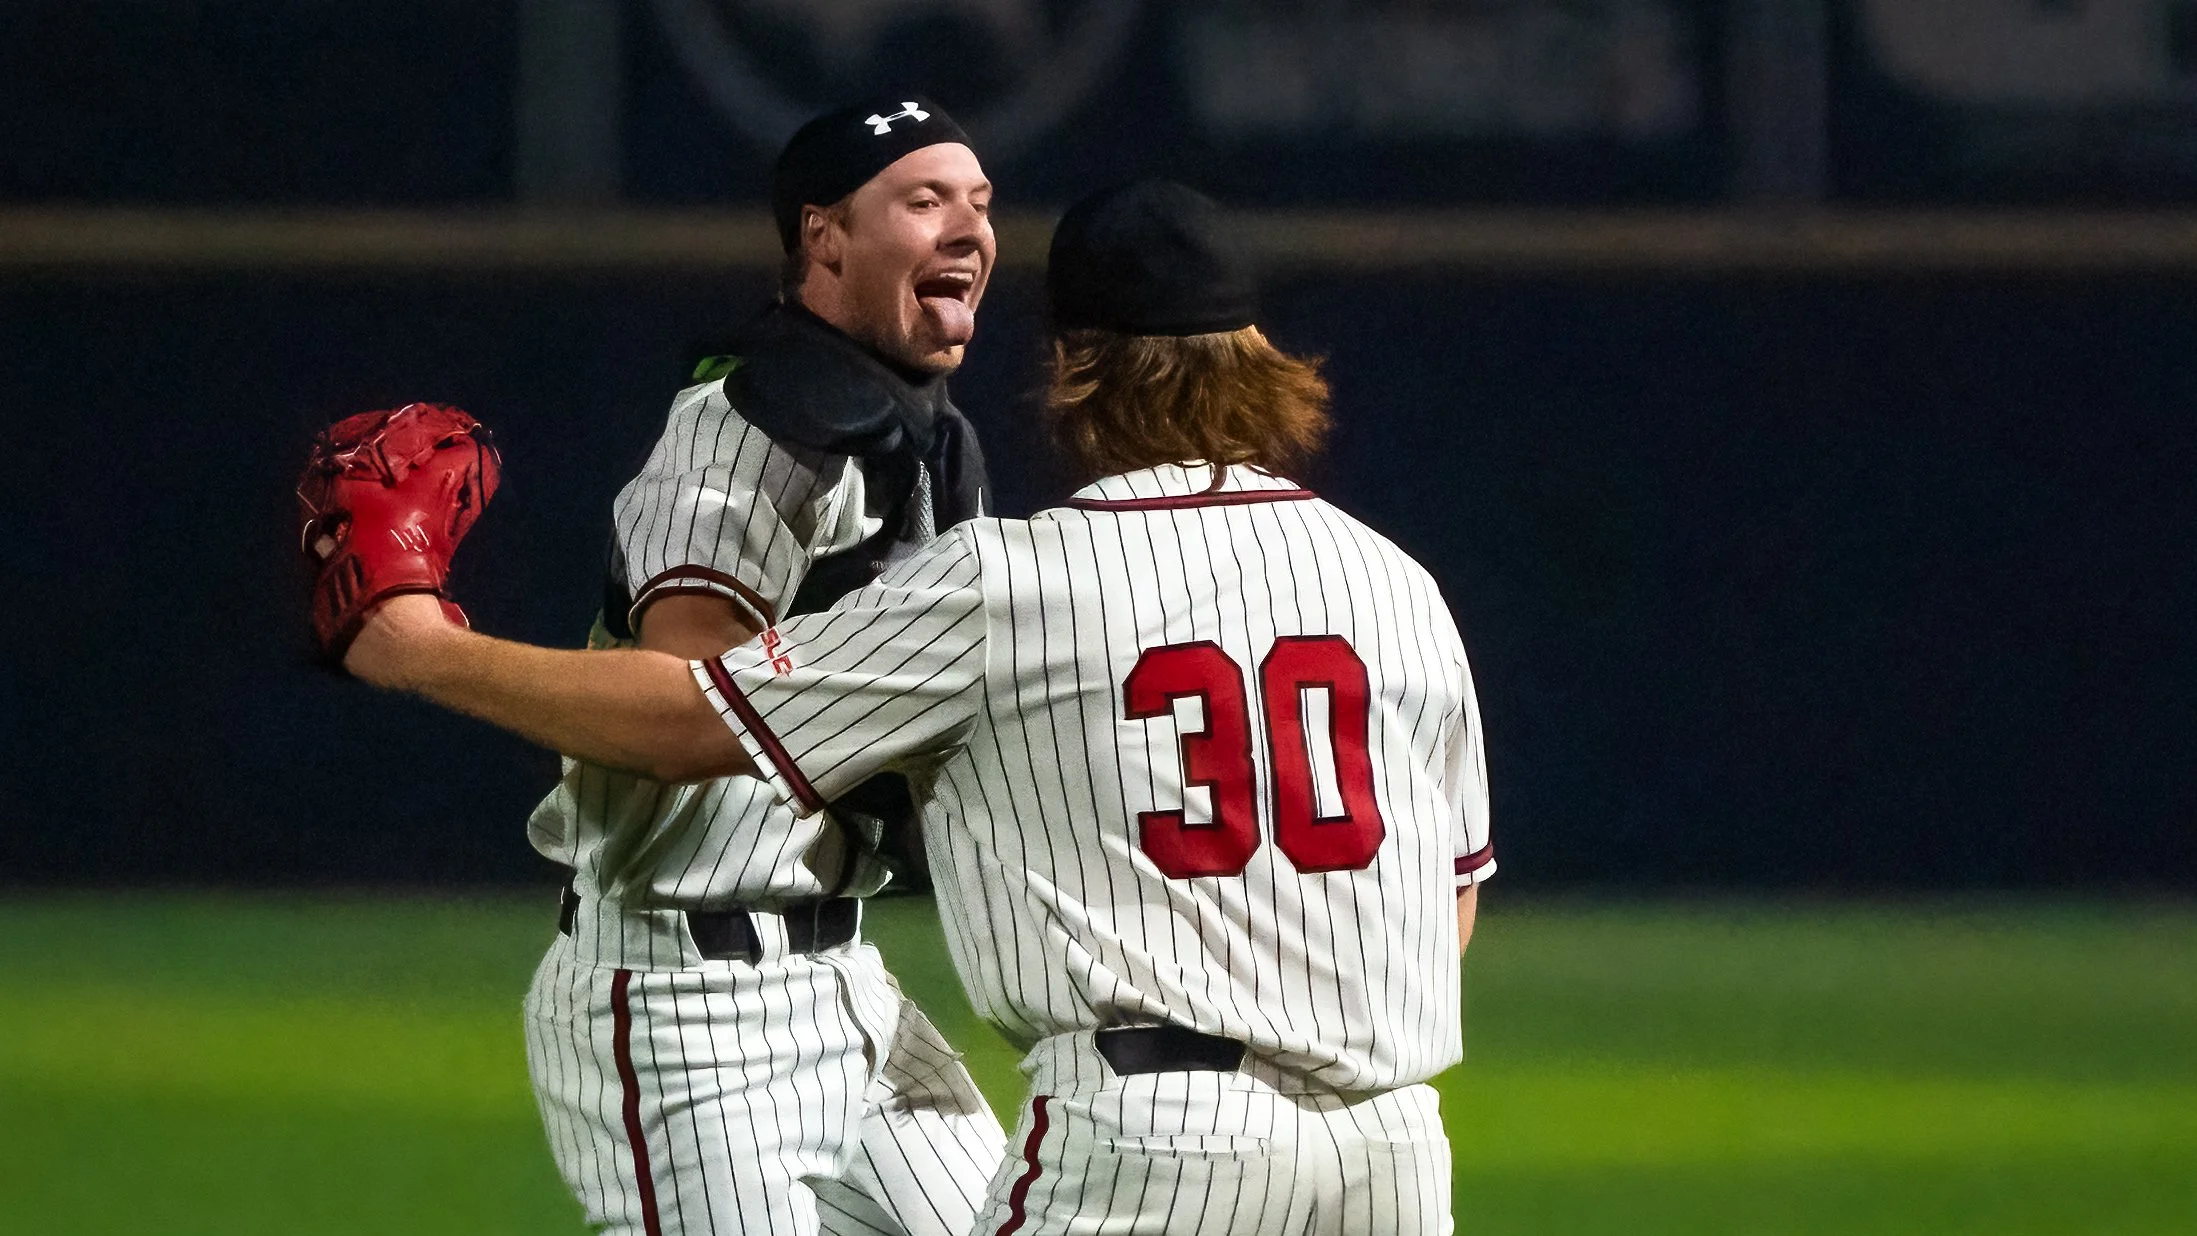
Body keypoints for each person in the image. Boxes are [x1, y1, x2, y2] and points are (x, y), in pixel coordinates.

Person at [324, 180, 1494, 1235]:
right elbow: (1448, 906)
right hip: (1390, 1153)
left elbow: (687, 721)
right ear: (1262, 353)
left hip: (1155, 1145)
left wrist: (419, 647)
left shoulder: (1010, 581)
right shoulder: (1394, 583)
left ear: (1074, 360)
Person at [447, 96, 1011, 1236]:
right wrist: (424, 654)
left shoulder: (920, 437)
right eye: (922, 198)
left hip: (845, 987)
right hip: (684, 1001)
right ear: (824, 237)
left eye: (979, 203)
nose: (966, 225)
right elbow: (681, 704)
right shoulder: (748, 426)